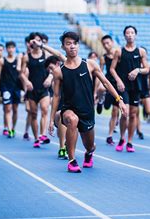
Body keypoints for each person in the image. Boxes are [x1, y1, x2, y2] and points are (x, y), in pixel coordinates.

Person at [49, 31, 127, 172]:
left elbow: (106, 82)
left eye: (75, 43)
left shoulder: (90, 64)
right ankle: (72, 161)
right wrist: (51, 120)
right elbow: (56, 96)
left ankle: (89, 154)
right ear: (63, 47)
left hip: (87, 111)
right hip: (69, 108)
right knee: (71, 120)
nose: (72, 46)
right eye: (68, 44)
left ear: (78, 46)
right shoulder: (58, 71)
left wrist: (119, 100)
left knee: (90, 145)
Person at [110, 25, 150, 153]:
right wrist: (118, 81)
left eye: (132, 33)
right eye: (127, 33)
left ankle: (129, 141)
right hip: (123, 87)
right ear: (124, 35)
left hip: (136, 87)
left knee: (133, 115)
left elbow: (147, 69)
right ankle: (122, 138)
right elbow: (111, 69)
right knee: (125, 113)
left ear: (135, 35)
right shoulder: (119, 51)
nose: (130, 35)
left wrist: (137, 70)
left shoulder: (140, 52)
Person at [21, 33, 53, 148]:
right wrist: (26, 81)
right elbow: (21, 74)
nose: (35, 42)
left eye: (38, 40)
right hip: (32, 90)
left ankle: (43, 134)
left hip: (44, 89)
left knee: (45, 110)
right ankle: (36, 138)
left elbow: (54, 69)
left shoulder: (46, 54)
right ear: (30, 43)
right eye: (33, 40)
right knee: (34, 114)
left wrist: (50, 77)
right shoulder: (26, 57)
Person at [0, 41, 23, 137]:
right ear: (6, 49)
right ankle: (9, 129)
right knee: (8, 109)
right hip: (6, 88)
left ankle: (13, 128)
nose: (10, 49)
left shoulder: (18, 60)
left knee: (15, 109)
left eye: (12, 47)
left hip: (16, 87)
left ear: (14, 48)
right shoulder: (2, 61)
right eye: (9, 48)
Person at [45, 55, 68, 159]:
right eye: (48, 69)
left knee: (63, 117)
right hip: (60, 106)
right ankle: (63, 146)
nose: (50, 71)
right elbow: (55, 97)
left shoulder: (66, 70)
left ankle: (63, 147)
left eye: (51, 68)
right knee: (61, 123)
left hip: (73, 104)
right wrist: (50, 120)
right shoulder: (54, 79)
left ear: (58, 64)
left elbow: (59, 55)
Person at [99, 35, 120, 145]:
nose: (106, 45)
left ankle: (110, 135)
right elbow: (100, 72)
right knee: (107, 106)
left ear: (112, 42)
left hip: (118, 83)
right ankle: (101, 100)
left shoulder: (118, 54)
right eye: (104, 44)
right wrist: (100, 86)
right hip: (108, 82)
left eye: (108, 43)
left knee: (115, 111)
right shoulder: (103, 57)